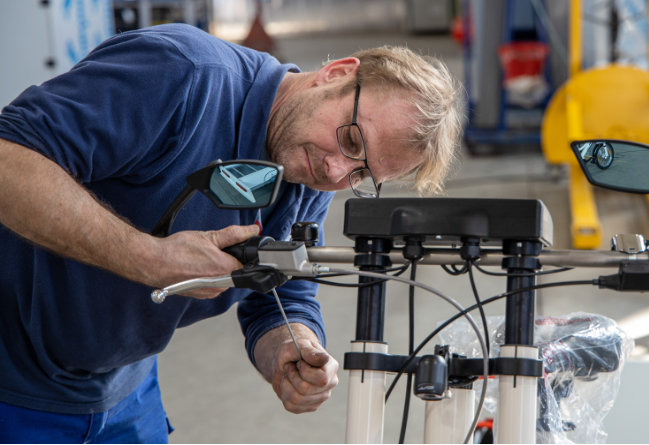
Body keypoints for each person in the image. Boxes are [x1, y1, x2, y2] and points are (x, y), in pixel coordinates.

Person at [0, 24, 461, 442]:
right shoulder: (181, 73)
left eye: (362, 176)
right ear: (336, 74)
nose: (336, 170)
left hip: (124, 390)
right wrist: (150, 258)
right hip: (13, 381)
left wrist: (292, 343)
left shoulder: (310, 170)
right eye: (352, 140)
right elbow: (7, 160)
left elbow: (281, 291)